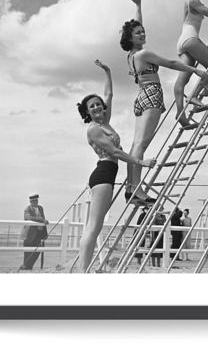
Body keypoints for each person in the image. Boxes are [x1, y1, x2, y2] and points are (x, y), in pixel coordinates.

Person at [120, 0, 206, 203]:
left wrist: (138, 6)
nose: (142, 34)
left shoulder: (131, 55)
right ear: (131, 38)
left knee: (135, 145)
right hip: (151, 95)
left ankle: (131, 187)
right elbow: (172, 64)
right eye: (138, 33)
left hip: (141, 97)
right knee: (141, 145)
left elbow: (134, 26)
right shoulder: (143, 54)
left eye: (143, 32)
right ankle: (137, 189)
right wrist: (195, 70)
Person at [76, 60, 156, 273]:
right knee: (93, 227)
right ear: (87, 112)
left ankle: (83, 270)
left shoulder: (105, 122)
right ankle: (82, 272)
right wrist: (141, 162)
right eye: (91, 106)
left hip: (108, 174)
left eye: (97, 103)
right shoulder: (94, 129)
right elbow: (116, 152)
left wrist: (108, 71)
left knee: (96, 226)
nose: (96, 106)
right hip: (102, 174)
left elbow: (109, 95)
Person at [20, 194, 49, 271]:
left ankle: (26, 266)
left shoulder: (40, 208)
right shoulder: (27, 209)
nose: (35, 202)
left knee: (37, 250)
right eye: (34, 200)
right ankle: (27, 267)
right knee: (28, 252)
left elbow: (43, 219)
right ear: (30, 201)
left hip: (39, 233)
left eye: (36, 200)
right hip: (29, 233)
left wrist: (45, 233)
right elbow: (29, 218)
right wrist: (41, 220)